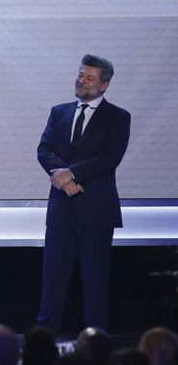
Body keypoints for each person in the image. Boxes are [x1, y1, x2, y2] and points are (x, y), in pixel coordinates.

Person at [37, 54, 131, 333]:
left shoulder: (118, 117)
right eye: (80, 75)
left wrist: (72, 173)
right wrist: (65, 180)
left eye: (89, 78)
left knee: (95, 282)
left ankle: (95, 343)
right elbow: (45, 150)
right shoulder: (59, 112)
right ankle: (43, 342)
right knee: (52, 280)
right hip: (61, 210)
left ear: (104, 86)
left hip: (96, 212)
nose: (82, 81)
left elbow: (109, 157)